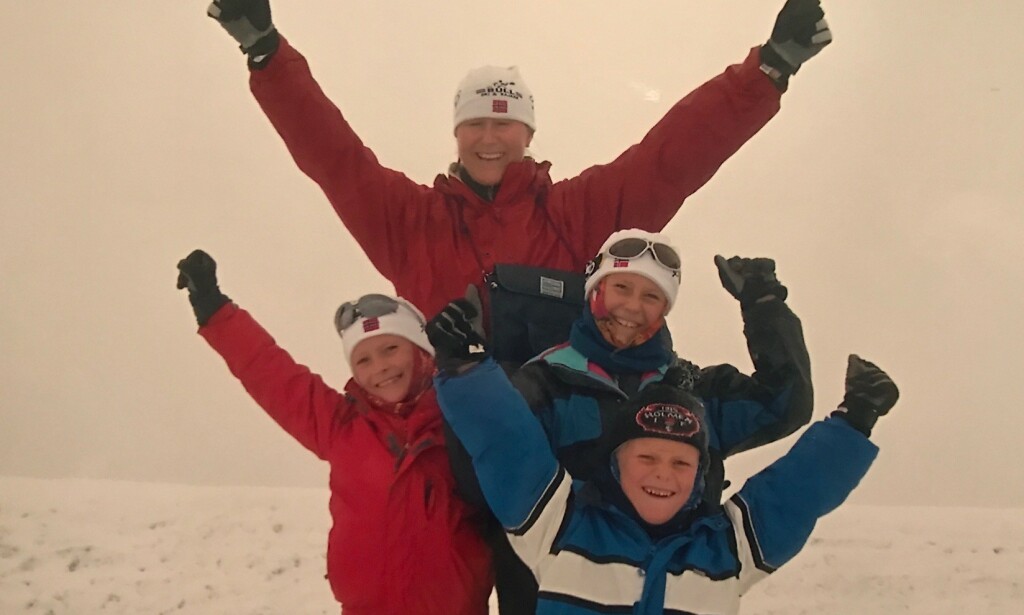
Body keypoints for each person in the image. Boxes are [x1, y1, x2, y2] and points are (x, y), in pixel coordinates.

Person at [205, 0, 834, 349]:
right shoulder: (407, 221)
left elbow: (672, 158)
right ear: (456, 133)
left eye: (504, 124)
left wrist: (767, 71)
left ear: (528, 134)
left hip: (561, 455)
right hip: (453, 447)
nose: (489, 138)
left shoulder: (577, 213)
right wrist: (267, 52)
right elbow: (333, 156)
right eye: (475, 124)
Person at [430, 228, 813, 611]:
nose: (632, 307)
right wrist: (463, 366)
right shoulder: (543, 383)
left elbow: (783, 404)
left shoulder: (694, 395)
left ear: (665, 309)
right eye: (622, 288)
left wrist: (765, 305)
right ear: (595, 290)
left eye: (651, 296)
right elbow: (482, 478)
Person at [430, 343, 900, 614]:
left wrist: (857, 417)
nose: (662, 473)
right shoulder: (562, 528)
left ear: (700, 475)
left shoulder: (728, 550)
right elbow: (508, 445)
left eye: (681, 463)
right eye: (647, 456)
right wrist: (465, 369)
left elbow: (796, 492)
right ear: (615, 463)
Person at [174, 249, 493, 615]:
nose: (380, 367)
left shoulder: (459, 421)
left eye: (390, 349)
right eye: (363, 359)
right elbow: (271, 372)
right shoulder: (340, 426)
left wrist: (474, 363)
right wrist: (213, 309)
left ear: (422, 351)